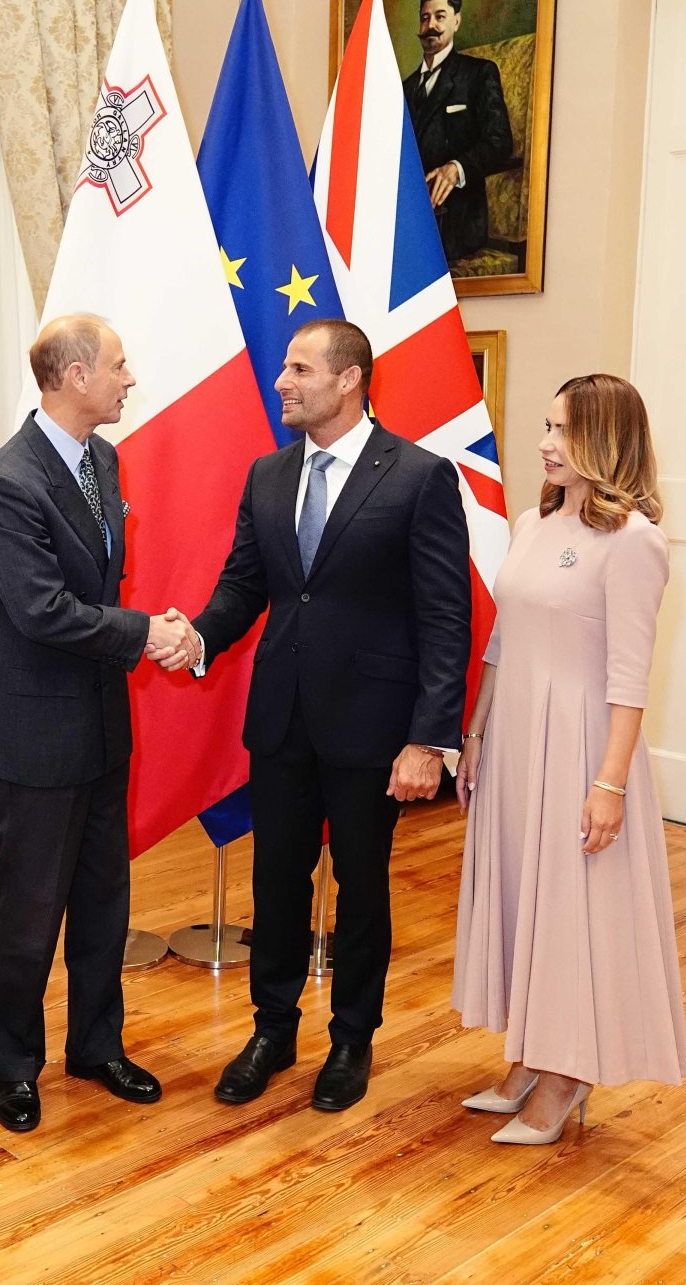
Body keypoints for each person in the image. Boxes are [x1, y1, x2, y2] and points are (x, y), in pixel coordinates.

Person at [185, 320, 471, 1111]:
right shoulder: (268, 475)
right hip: (281, 720)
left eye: (299, 369)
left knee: (360, 888)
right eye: (285, 369)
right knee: (274, 882)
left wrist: (429, 738)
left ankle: (351, 1040)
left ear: (349, 380)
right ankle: (271, 1030)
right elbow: (246, 586)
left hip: (373, 732)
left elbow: (446, 618)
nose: (283, 381)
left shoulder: (418, 477)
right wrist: (198, 636)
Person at [0, 314, 198, 1134]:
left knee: (106, 898)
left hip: (103, 721)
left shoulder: (102, 456)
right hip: (37, 732)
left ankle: (97, 1045)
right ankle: (15, 1064)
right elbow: (40, 611)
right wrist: (146, 634)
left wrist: (141, 628)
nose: (128, 378)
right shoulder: (9, 480)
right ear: (73, 376)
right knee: (29, 910)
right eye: (118, 365)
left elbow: (97, 589)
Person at [452, 374, 686, 1145]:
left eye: (563, 430)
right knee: (527, 894)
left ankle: (566, 1076)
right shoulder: (532, 522)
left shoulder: (634, 542)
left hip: (583, 744)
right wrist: (478, 732)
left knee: (571, 906)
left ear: (605, 440)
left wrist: (609, 782)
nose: (547, 443)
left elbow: (630, 676)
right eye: (547, 427)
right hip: (517, 738)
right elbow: (501, 639)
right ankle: (528, 1050)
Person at [402, 0, 513, 262]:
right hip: (407, 220)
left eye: (440, 17)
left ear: (456, 22)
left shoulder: (478, 74)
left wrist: (456, 168)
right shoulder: (402, 89)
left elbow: (500, 142)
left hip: (457, 222)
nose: (431, 26)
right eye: (425, 18)